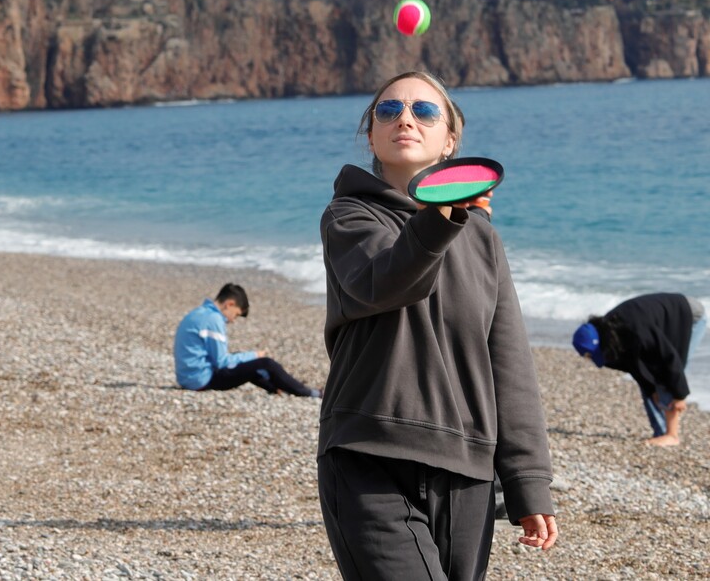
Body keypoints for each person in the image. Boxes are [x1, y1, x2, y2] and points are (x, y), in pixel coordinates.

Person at [317, 71, 557, 579]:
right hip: (368, 455)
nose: (405, 118)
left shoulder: (482, 239)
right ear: (372, 135)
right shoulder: (349, 217)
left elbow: (508, 360)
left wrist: (528, 480)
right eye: (388, 111)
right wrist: (443, 216)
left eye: (424, 111)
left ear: (450, 141)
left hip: (469, 471)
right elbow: (385, 282)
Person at [573, 293, 706, 446]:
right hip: (663, 318)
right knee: (650, 383)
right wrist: (651, 390)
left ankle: (672, 435)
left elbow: (669, 358)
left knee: (667, 373)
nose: (592, 359)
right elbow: (637, 369)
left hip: (690, 314)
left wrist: (680, 395)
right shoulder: (613, 333)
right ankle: (660, 432)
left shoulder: (634, 328)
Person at [173, 283, 321, 397]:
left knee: (247, 363)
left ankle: (276, 388)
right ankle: (310, 393)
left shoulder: (200, 313)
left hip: (187, 377)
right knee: (265, 362)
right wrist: (255, 355)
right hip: (201, 380)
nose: (233, 321)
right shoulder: (214, 320)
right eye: (236, 314)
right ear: (229, 304)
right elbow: (222, 362)